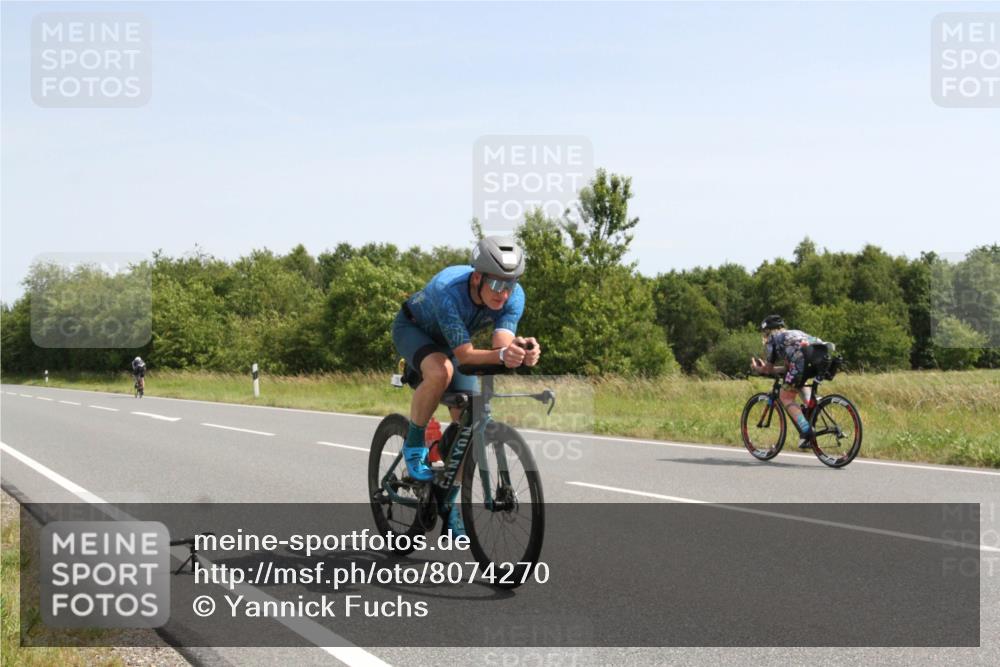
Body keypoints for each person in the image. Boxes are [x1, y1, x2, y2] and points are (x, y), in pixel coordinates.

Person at [392, 236, 541, 536]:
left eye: (510, 285)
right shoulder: (449, 291)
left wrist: (521, 351)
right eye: (497, 285)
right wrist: (502, 354)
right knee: (441, 372)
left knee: (471, 420)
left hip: (454, 343)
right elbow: (464, 356)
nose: (504, 293)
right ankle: (414, 442)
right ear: (477, 277)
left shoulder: (513, 296)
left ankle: (449, 498)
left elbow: (501, 344)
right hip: (415, 330)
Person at [750, 315, 829, 448]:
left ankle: (806, 431)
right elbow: (788, 368)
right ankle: (813, 405)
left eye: (764, 333)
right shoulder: (793, 334)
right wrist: (770, 369)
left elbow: (768, 369)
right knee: (798, 382)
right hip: (820, 355)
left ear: (768, 331)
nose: (764, 336)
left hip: (802, 359)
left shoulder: (773, 340)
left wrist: (758, 368)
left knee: (785, 397)